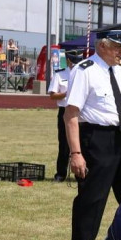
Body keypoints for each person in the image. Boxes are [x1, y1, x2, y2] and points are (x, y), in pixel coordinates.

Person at [64, 25, 121, 240]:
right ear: (102, 45)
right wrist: (76, 153)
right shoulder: (84, 71)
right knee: (92, 199)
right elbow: (70, 115)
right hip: (97, 140)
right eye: (117, 46)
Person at [47, 49, 83, 182]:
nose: (76, 64)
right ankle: (61, 173)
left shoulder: (84, 74)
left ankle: (81, 173)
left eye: (79, 61)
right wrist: (67, 93)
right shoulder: (60, 74)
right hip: (65, 111)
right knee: (64, 144)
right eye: (74, 61)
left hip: (81, 112)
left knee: (83, 143)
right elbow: (52, 95)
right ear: (68, 60)